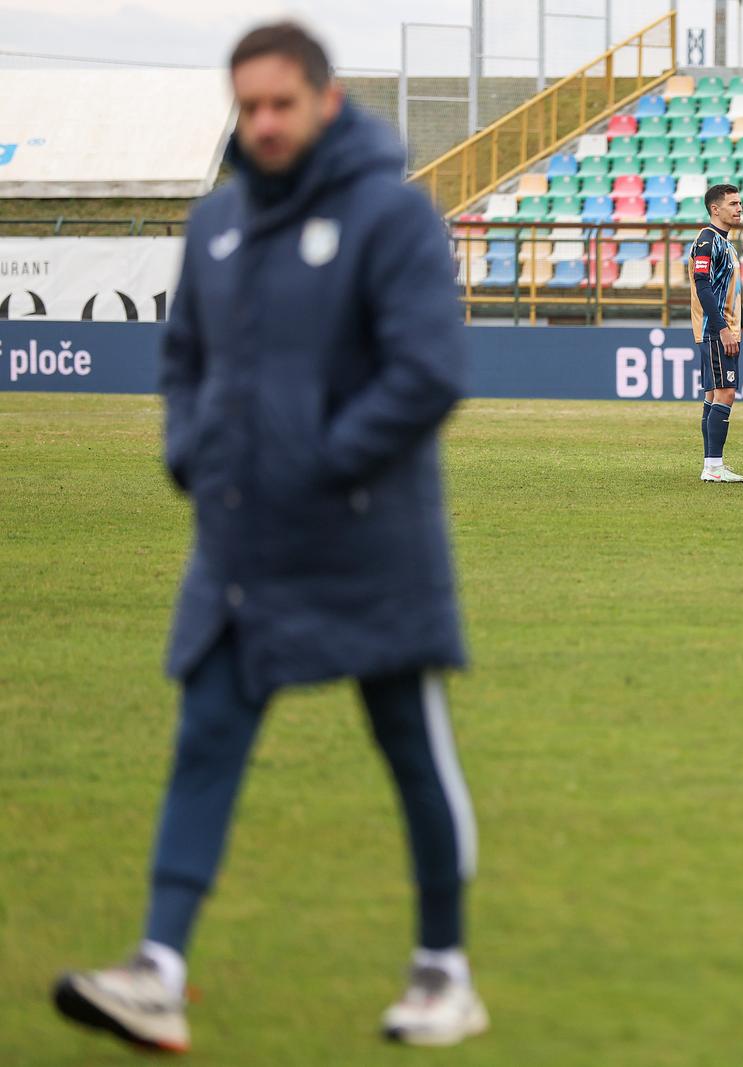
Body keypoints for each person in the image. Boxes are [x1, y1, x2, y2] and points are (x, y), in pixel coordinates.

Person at [51, 21, 486, 1051]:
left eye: (281, 103)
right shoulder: (216, 223)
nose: (264, 123)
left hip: (370, 545)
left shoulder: (392, 215)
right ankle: (158, 967)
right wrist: (189, 451)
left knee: (412, 751)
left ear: (327, 101)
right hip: (242, 552)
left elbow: (428, 372)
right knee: (204, 737)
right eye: (247, 106)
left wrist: (323, 460)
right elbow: (183, 362)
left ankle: (444, 968)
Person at [692, 183, 743, 482]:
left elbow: (732, 290)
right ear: (716, 209)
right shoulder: (706, 240)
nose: (739, 208)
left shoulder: (727, 243)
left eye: (740, 203)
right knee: (725, 393)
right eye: (733, 204)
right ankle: (713, 466)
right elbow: (703, 285)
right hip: (715, 330)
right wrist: (723, 328)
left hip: (725, 328)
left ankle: (712, 463)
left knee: (715, 394)